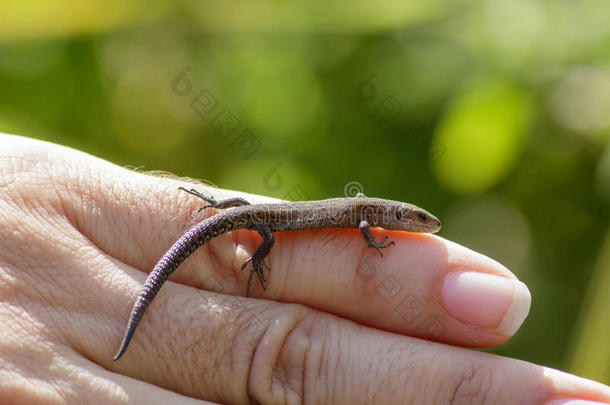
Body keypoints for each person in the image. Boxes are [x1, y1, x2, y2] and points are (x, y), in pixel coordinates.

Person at [0, 132, 608, 405]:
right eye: (418, 221)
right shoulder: (372, 221)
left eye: (419, 222)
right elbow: (368, 233)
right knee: (239, 224)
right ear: (399, 216)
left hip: (262, 220)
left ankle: (218, 217)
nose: (422, 226)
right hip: (264, 225)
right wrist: (373, 249)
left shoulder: (370, 214)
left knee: (239, 219)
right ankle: (216, 218)